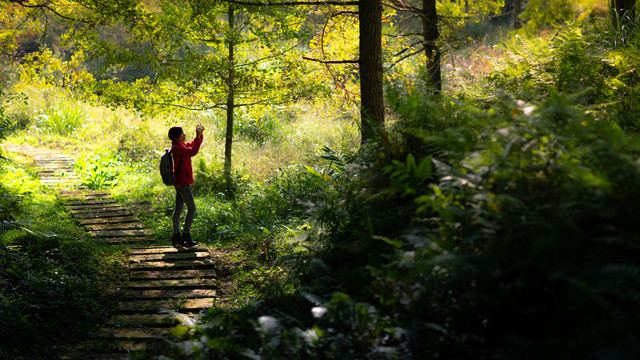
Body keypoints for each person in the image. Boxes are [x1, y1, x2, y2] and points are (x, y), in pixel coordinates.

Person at [168, 124, 204, 247]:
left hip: (181, 182)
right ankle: (185, 234)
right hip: (182, 183)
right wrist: (198, 136)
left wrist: (198, 135)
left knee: (178, 209)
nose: (184, 134)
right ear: (176, 137)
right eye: (182, 133)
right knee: (192, 208)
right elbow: (193, 151)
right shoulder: (177, 149)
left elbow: (192, 145)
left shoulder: (180, 146)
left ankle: (176, 235)